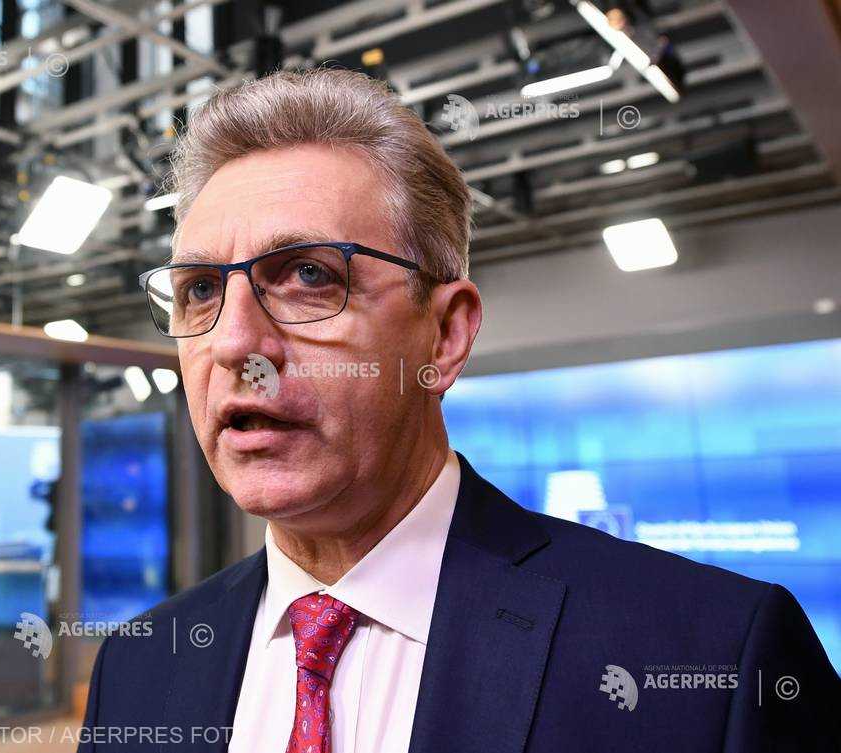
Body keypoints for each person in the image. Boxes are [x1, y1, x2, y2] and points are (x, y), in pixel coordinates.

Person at [78, 67, 840, 753]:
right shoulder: (139, 667)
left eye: (308, 275)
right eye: (200, 290)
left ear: (444, 335)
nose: (235, 342)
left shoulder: (714, 660)